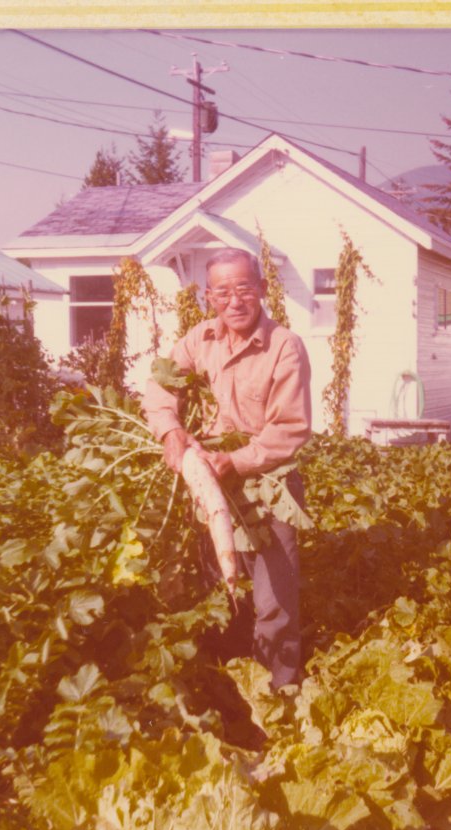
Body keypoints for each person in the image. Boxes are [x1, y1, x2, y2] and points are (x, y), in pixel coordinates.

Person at [143, 247, 312, 688]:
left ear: (261, 289)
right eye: (223, 291)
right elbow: (160, 389)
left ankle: (279, 693)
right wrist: (170, 432)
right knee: (222, 589)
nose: (234, 301)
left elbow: (290, 429)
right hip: (214, 488)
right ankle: (233, 690)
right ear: (208, 297)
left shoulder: (285, 347)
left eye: (244, 289)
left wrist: (234, 461)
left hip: (269, 482)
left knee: (274, 601)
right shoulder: (200, 340)